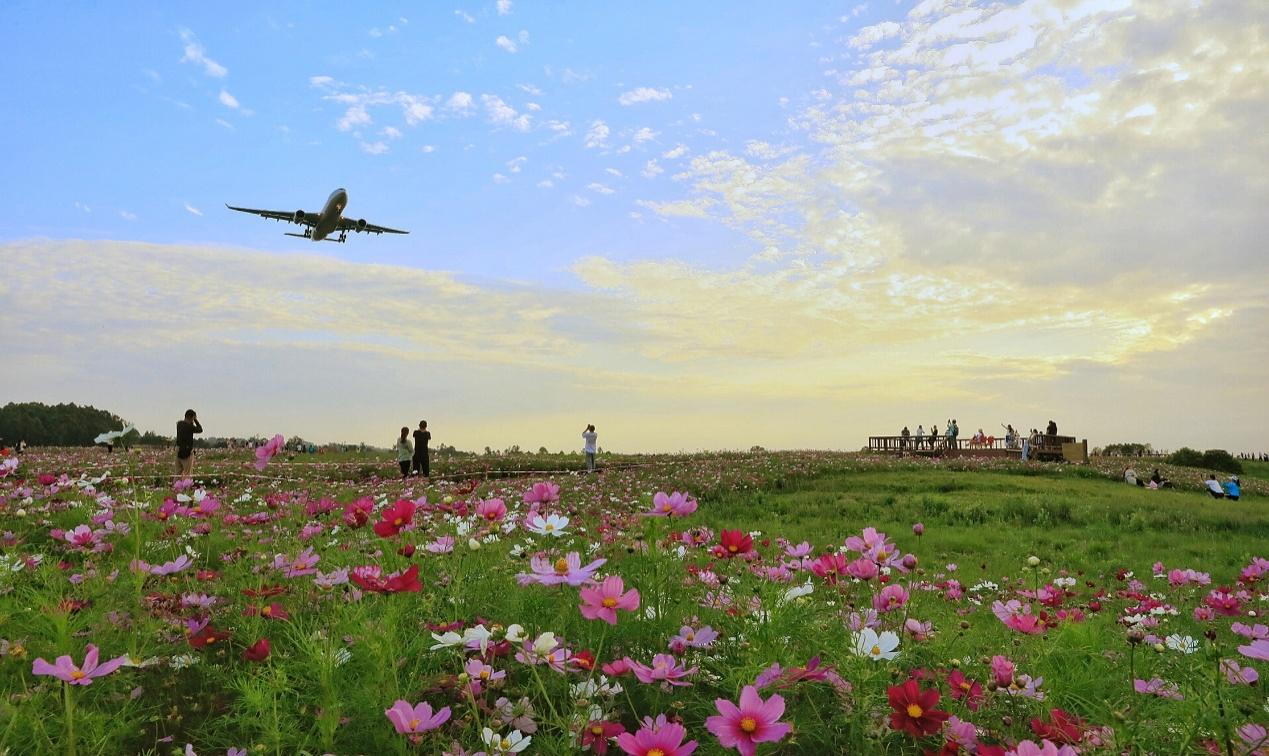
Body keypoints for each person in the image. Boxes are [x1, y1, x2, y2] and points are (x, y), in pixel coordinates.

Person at [175, 409, 203, 477]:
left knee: (178, 473)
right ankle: (186, 486)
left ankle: (176, 486)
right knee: (187, 473)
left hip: (178, 449)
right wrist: (196, 420)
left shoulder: (179, 424)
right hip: (187, 451)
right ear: (192, 417)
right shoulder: (189, 426)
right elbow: (200, 429)